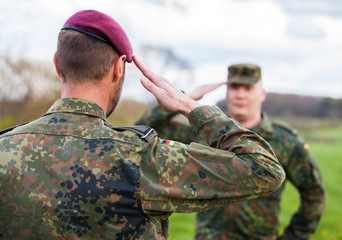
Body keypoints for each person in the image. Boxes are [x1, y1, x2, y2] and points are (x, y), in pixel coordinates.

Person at [0, 11, 285, 240]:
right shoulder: (138, 158)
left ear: (56, 64)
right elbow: (264, 169)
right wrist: (190, 106)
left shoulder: (4, 148)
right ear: (119, 68)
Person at [136, 63, 326, 239]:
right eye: (234, 87)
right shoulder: (202, 134)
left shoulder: (285, 140)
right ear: (227, 92)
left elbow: (314, 194)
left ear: (262, 94)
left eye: (248, 88)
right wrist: (187, 99)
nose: (240, 94)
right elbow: (142, 130)